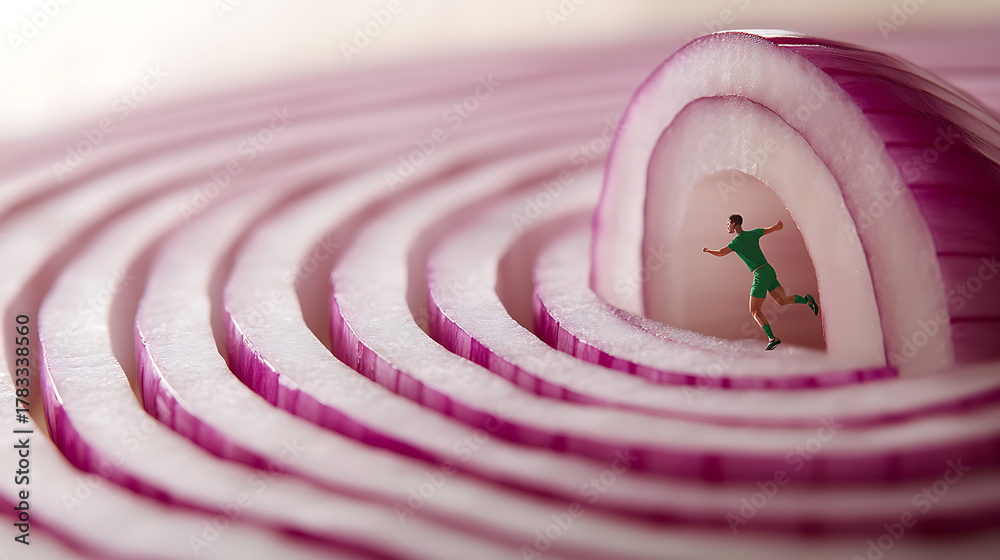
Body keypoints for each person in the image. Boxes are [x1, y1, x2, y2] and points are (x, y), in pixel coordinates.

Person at [702, 214, 819, 350]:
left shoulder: (737, 241)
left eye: (728, 223)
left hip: (760, 274)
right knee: (782, 300)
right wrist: (777, 226)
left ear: (735, 224)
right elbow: (768, 230)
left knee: (754, 311)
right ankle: (807, 300)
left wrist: (709, 250)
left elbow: (722, 253)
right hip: (769, 270)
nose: (727, 226)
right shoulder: (753, 233)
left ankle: (772, 338)